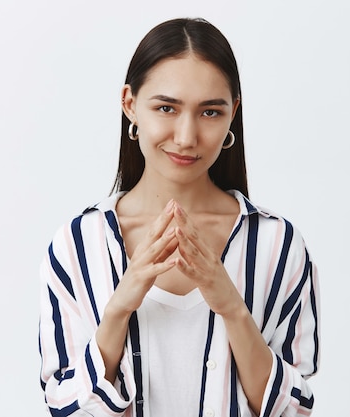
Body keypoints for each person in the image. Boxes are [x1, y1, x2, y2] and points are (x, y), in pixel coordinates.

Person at [38, 17, 320, 417]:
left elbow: (295, 410)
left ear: (232, 114)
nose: (187, 136)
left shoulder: (277, 245)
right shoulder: (78, 245)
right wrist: (120, 307)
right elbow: (65, 406)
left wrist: (232, 307)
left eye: (209, 112)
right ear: (130, 104)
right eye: (166, 107)